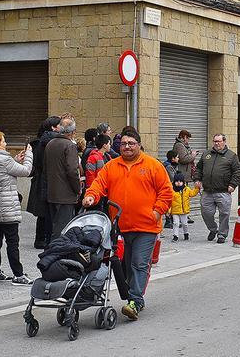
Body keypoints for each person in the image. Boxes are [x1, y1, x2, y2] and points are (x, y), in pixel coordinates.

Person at [82, 127, 173, 320]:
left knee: (139, 264)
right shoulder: (111, 166)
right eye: (123, 144)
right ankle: (134, 295)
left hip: (146, 226)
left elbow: (166, 192)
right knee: (124, 266)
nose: (127, 147)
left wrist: (156, 213)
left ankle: (135, 301)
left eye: (131, 143)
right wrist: (91, 196)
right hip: (120, 227)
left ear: (139, 145)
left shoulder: (153, 165)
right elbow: (99, 184)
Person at [0, 130, 34, 285]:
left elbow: (3, 173)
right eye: (4, 141)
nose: (6, 144)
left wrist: (15, 160)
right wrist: (29, 155)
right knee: (12, 242)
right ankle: (18, 275)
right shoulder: (4, 159)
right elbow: (26, 171)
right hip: (8, 206)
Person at [193, 133, 240, 244]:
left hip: (223, 191)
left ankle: (222, 234)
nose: (216, 143)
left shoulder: (231, 156)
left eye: (219, 141)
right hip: (207, 191)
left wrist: (233, 185)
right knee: (206, 213)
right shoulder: (206, 154)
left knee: (224, 214)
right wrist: (197, 179)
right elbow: (199, 168)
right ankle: (213, 229)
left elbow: (238, 172)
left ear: (224, 142)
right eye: (215, 141)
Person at [44, 116, 81, 239]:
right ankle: (55, 255)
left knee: (55, 227)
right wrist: (77, 189)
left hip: (52, 192)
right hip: (65, 195)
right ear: (73, 132)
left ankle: (52, 253)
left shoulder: (50, 143)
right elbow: (72, 170)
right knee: (62, 229)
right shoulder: (69, 146)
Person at [28, 116, 61, 249]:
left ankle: (40, 239)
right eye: (59, 125)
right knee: (49, 211)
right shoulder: (54, 142)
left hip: (40, 179)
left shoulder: (38, 142)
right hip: (48, 179)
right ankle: (47, 239)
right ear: (53, 127)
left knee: (42, 212)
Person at [172, 129, 198, 223]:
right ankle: (179, 215)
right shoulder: (179, 145)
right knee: (180, 195)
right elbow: (183, 159)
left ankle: (185, 215)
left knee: (184, 196)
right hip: (181, 174)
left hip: (185, 173)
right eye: (188, 138)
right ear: (184, 137)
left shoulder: (184, 145)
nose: (188, 141)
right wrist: (193, 155)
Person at [170, 172, 197, 242]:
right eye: (177, 181)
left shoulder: (186, 189)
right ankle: (175, 236)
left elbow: (192, 193)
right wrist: (168, 210)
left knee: (185, 224)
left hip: (184, 211)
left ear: (183, 182)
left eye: (180, 181)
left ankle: (186, 233)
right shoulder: (171, 190)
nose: (178, 183)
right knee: (176, 223)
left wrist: (197, 188)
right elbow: (169, 201)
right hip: (175, 211)